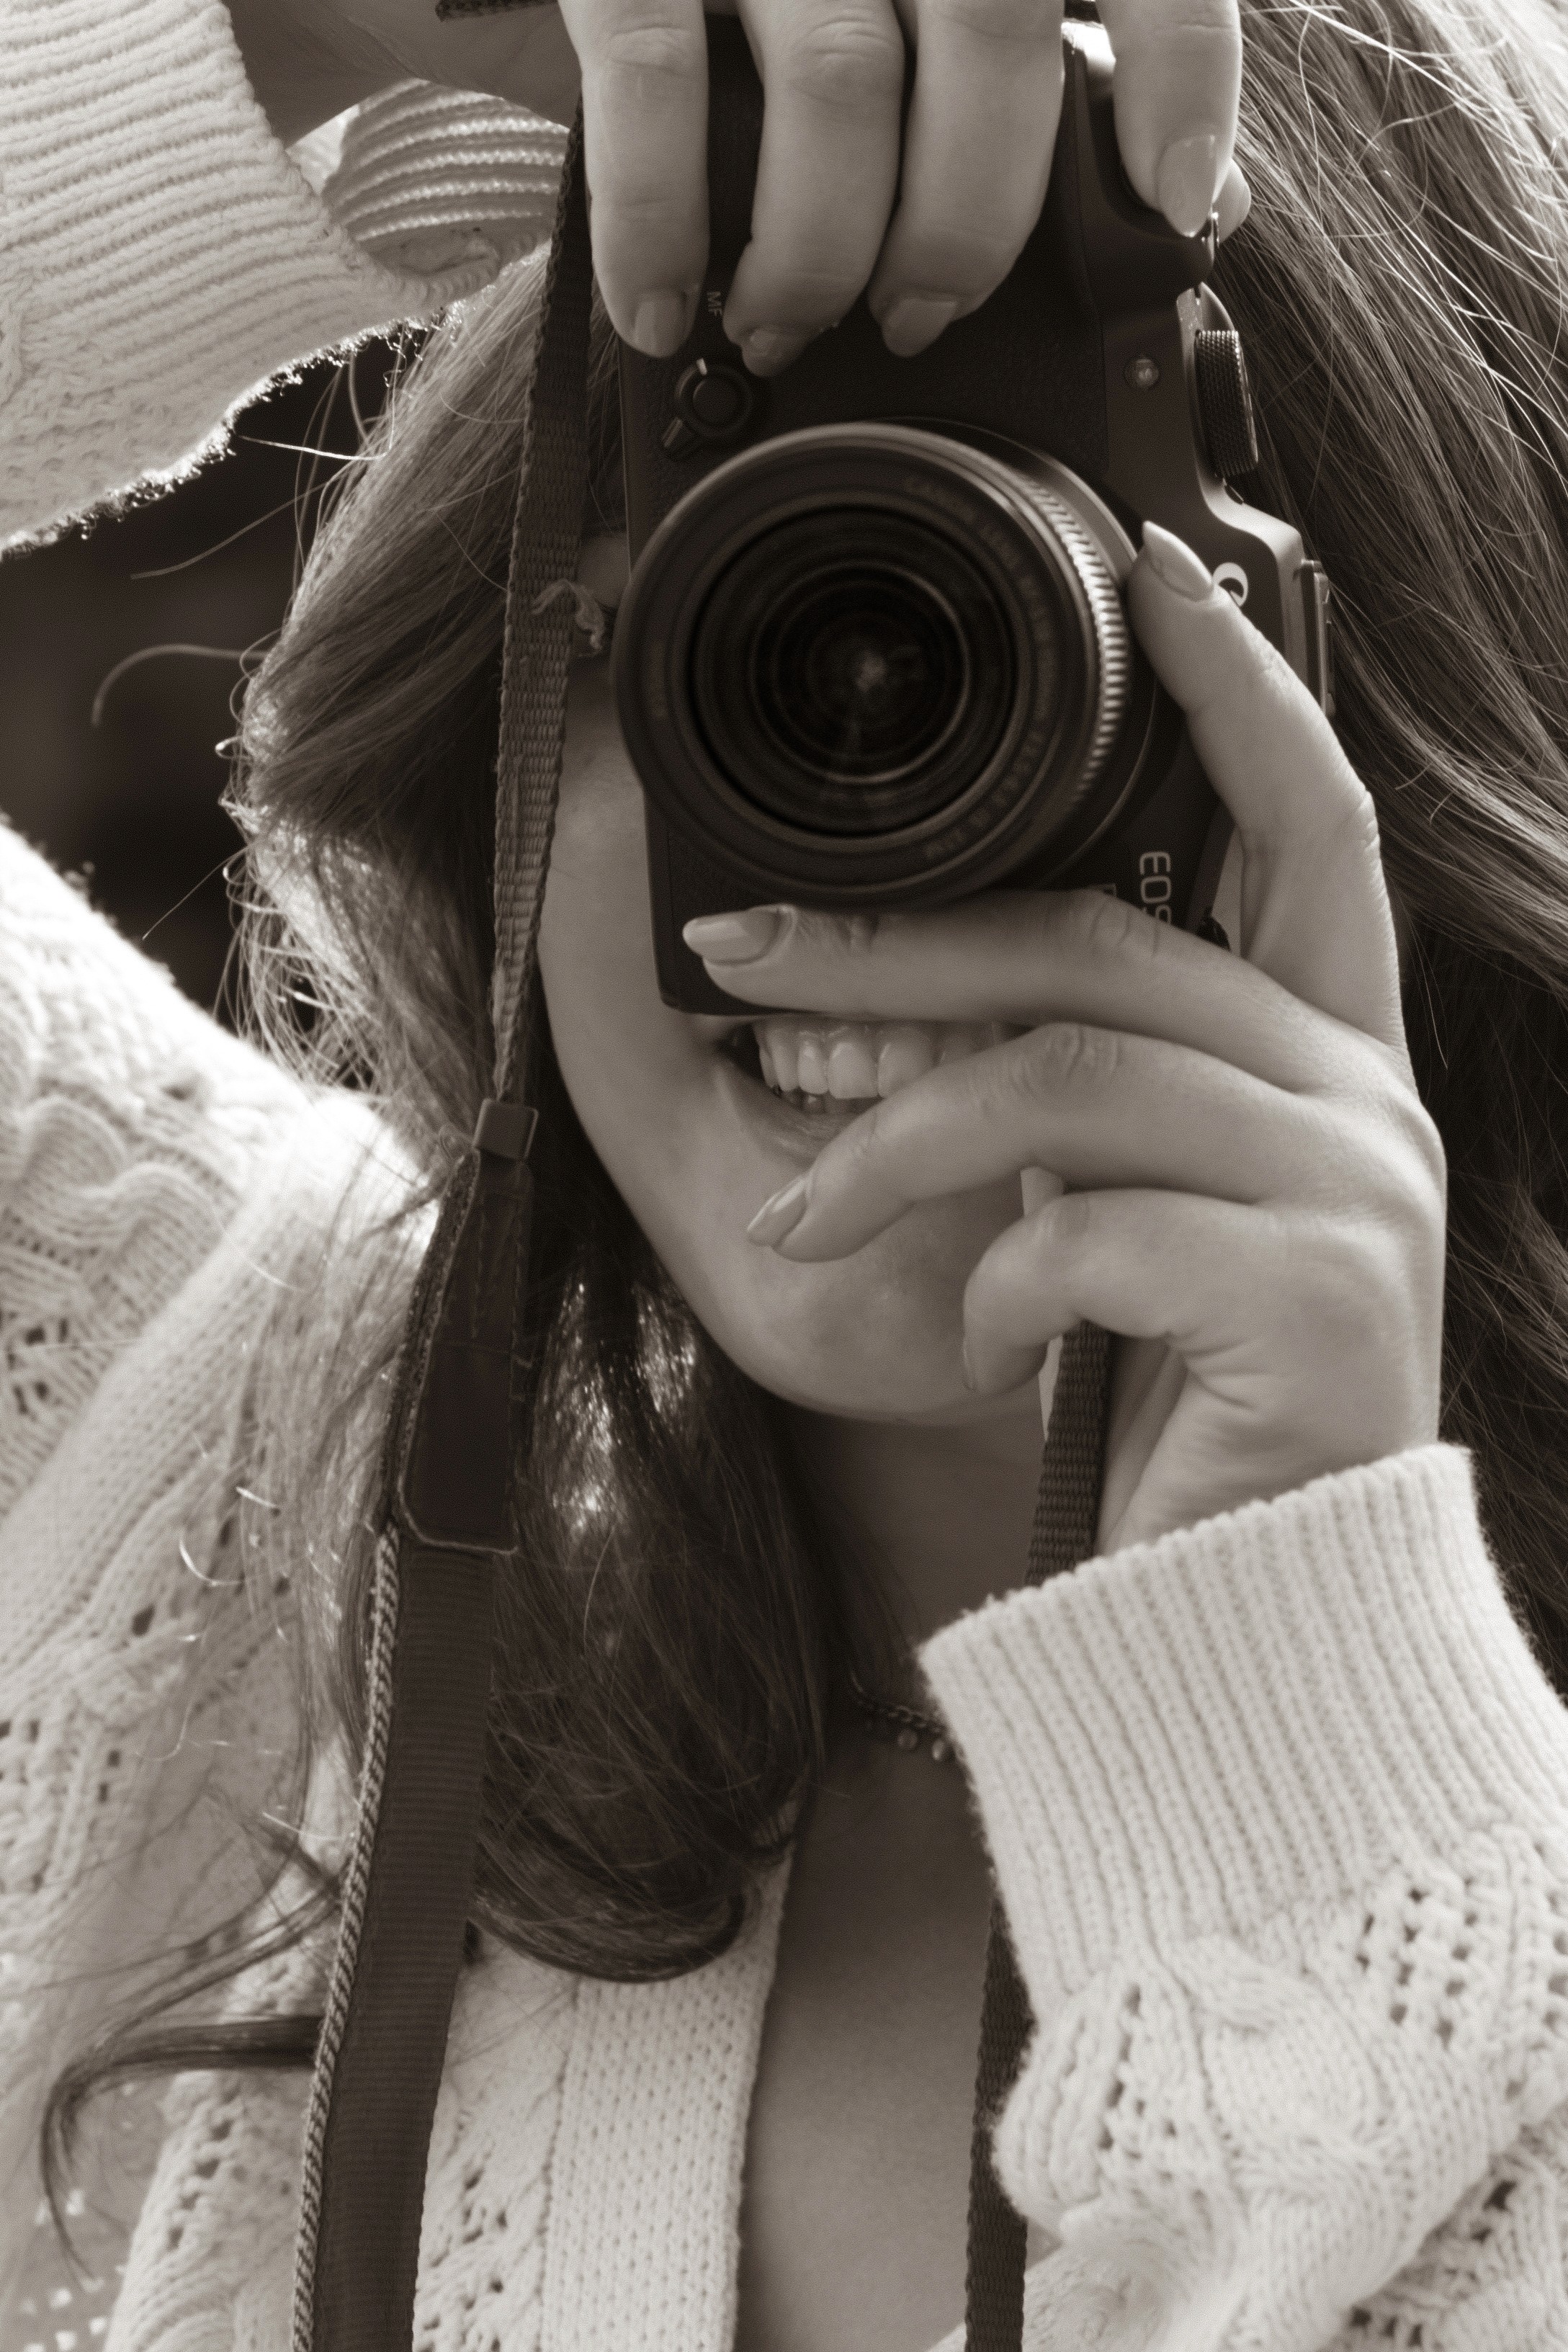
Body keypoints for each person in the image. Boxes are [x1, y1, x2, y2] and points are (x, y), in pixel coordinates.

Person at [5, 0, 1568, 2346]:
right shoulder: (207, 1463)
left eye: (1042, 664)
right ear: (501, 720)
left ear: (1396, 748)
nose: (867, 844)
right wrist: (310, 34)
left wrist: (1296, 1708)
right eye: (730, 626)